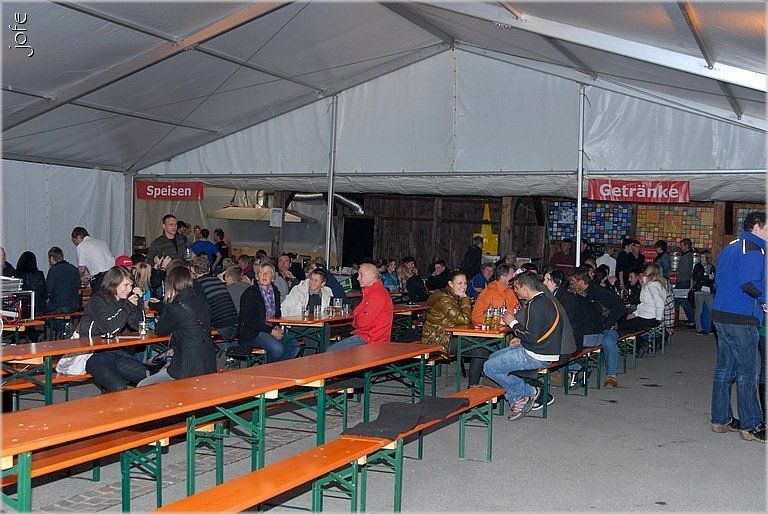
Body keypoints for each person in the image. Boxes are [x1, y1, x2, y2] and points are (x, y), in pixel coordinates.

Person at [710, 211, 766, 443]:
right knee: (748, 371)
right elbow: (749, 283)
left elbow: (719, 279)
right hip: (741, 317)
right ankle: (751, 425)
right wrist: (765, 299)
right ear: (757, 227)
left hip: (721, 314)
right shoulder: (754, 248)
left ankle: (720, 419)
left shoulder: (731, 246)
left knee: (725, 369)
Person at [484, 271, 565, 421]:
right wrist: (520, 340)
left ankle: (530, 392)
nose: (515, 291)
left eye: (516, 287)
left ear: (525, 288)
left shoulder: (535, 305)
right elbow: (538, 332)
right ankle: (518, 398)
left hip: (537, 354)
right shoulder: (546, 300)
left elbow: (530, 337)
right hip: (545, 349)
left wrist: (512, 322)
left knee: (489, 367)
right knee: (493, 357)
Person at [138, 266, 216, 387]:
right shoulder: (200, 300)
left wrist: (168, 302)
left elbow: (160, 330)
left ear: (170, 284)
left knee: (142, 386)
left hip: (186, 367)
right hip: (208, 362)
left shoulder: (175, 307)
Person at [78, 266, 148, 392]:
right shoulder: (98, 300)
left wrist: (139, 303)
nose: (129, 289)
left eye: (131, 285)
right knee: (119, 387)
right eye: (125, 285)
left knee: (149, 377)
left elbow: (138, 325)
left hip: (114, 350)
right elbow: (108, 329)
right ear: (114, 283)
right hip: (92, 352)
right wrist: (128, 306)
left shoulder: (123, 300)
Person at [422, 271, 487, 385]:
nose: (463, 286)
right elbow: (464, 319)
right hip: (438, 340)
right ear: (450, 284)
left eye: (465, 283)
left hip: (449, 336)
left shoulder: (454, 296)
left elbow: (464, 319)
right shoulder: (444, 300)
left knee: (481, 350)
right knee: (483, 341)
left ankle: (473, 387)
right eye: (459, 283)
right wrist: (465, 299)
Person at [570, 267, 625, 388]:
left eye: (573, 281)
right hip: (591, 329)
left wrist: (607, 324)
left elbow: (620, 306)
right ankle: (573, 371)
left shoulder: (599, 292)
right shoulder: (578, 293)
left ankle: (611, 375)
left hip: (607, 327)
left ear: (581, 281)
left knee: (608, 341)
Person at [237, 263, 300, 362]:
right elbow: (248, 320)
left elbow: (277, 313)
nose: (264, 275)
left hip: (270, 330)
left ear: (273, 278)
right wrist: (270, 331)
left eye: (268, 273)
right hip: (252, 332)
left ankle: (277, 369)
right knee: (277, 349)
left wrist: (277, 326)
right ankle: (266, 369)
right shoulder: (250, 293)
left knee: (294, 346)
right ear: (257, 277)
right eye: (261, 273)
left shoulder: (275, 292)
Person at [327, 263, 394, 351]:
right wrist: (357, 316)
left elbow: (361, 322)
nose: (358, 278)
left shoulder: (377, 294)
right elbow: (357, 314)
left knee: (330, 351)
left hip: (372, 339)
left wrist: (356, 317)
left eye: (361, 275)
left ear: (371, 276)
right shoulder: (373, 291)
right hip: (368, 335)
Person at [191, 256, 238, 340]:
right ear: (209, 269)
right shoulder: (217, 281)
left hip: (221, 328)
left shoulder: (197, 285)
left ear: (193, 269)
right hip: (235, 324)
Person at [618, 262, 666, 337]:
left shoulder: (652, 286)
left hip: (649, 318)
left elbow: (659, 303)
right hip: (649, 317)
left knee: (623, 325)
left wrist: (658, 319)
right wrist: (635, 314)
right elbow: (645, 304)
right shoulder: (656, 285)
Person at [71, 226, 114, 291]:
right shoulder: (102, 242)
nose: (76, 243)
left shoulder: (81, 246)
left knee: (97, 296)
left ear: (78, 237)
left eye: (75, 240)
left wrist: (79, 278)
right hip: (112, 274)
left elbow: (82, 269)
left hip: (100, 278)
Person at [45, 246, 81, 314]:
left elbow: (48, 289)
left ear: (52, 258)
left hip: (58, 306)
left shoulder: (53, 270)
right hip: (74, 305)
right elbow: (78, 285)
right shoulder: (74, 269)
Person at [14, 251, 47, 316]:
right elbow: (44, 292)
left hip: (25, 310)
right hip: (40, 309)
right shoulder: (40, 274)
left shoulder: (17, 275)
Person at [691, 249, 716, 334]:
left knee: (711, 309)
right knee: (699, 310)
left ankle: (712, 328)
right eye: (701, 257)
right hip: (699, 290)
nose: (702, 259)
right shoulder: (697, 266)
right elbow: (696, 278)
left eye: (703, 257)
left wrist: (706, 278)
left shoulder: (711, 267)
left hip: (708, 290)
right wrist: (707, 277)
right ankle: (699, 329)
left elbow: (712, 279)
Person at [675, 237, 696, 328]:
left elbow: (685, 270)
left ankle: (692, 319)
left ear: (686, 246)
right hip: (683, 280)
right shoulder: (688, 255)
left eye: (682, 245)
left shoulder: (687, 256)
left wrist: (676, 272)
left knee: (682, 301)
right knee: (681, 300)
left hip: (683, 280)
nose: (681, 247)